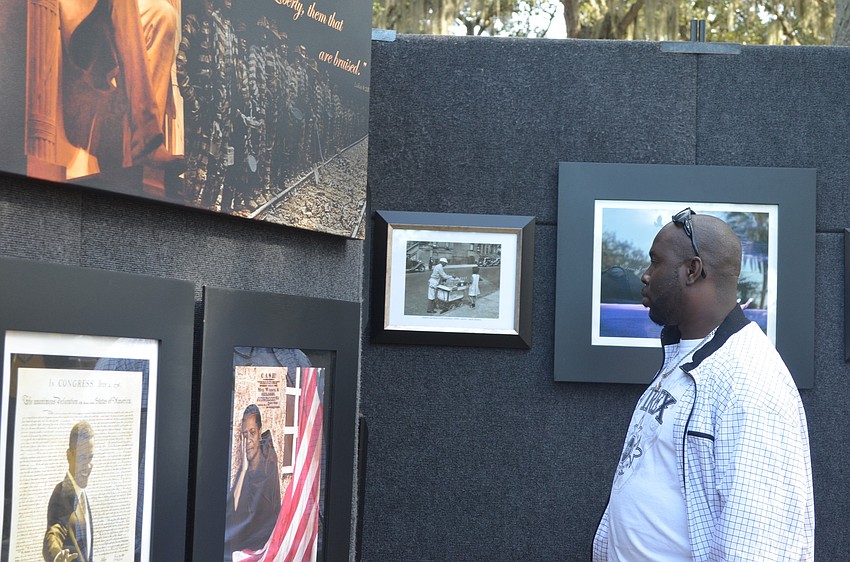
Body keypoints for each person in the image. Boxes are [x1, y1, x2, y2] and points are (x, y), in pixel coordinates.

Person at [592, 208, 814, 561]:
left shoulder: (750, 384)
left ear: (692, 270)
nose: (645, 276)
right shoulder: (687, 355)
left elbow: (758, 546)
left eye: (655, 263)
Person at [59, 0, 178, 168]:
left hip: (112, 13)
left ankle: (143, 148)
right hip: (80, 17)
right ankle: (146, 136)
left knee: (163, 14)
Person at [225, 404, 281, 558]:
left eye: (252, 433)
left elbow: (264, 517)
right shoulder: (245, 470)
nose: (248, 440)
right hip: (242, 545)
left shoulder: (268, 466)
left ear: (259, 433)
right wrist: (243, 469)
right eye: (245, 435)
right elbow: (232, 510)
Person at [43, 421, 95, 562]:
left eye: (90, 457)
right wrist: (57, 556)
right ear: (69, 456)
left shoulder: (82, 493)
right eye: (82, 458)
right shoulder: (61, 493)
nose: (88, 465)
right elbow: (54, 532)